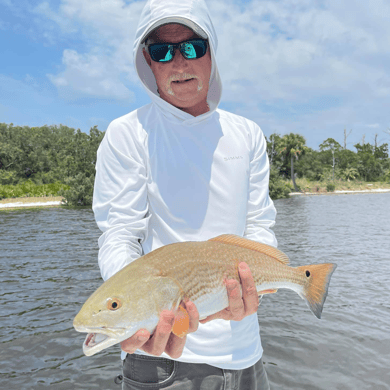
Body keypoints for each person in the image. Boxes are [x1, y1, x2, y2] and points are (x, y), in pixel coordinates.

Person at [92, 0, 277, 388]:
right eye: (162, 52)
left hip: (246, 352)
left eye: (192, 47)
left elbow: (259, 224)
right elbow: (120, 233)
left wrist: (258, 283)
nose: (179, 63)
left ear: (212, 52)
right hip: (161, 356)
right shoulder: (128, 133)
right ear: (147, 61)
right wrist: (132, 309)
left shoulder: (247, 133)